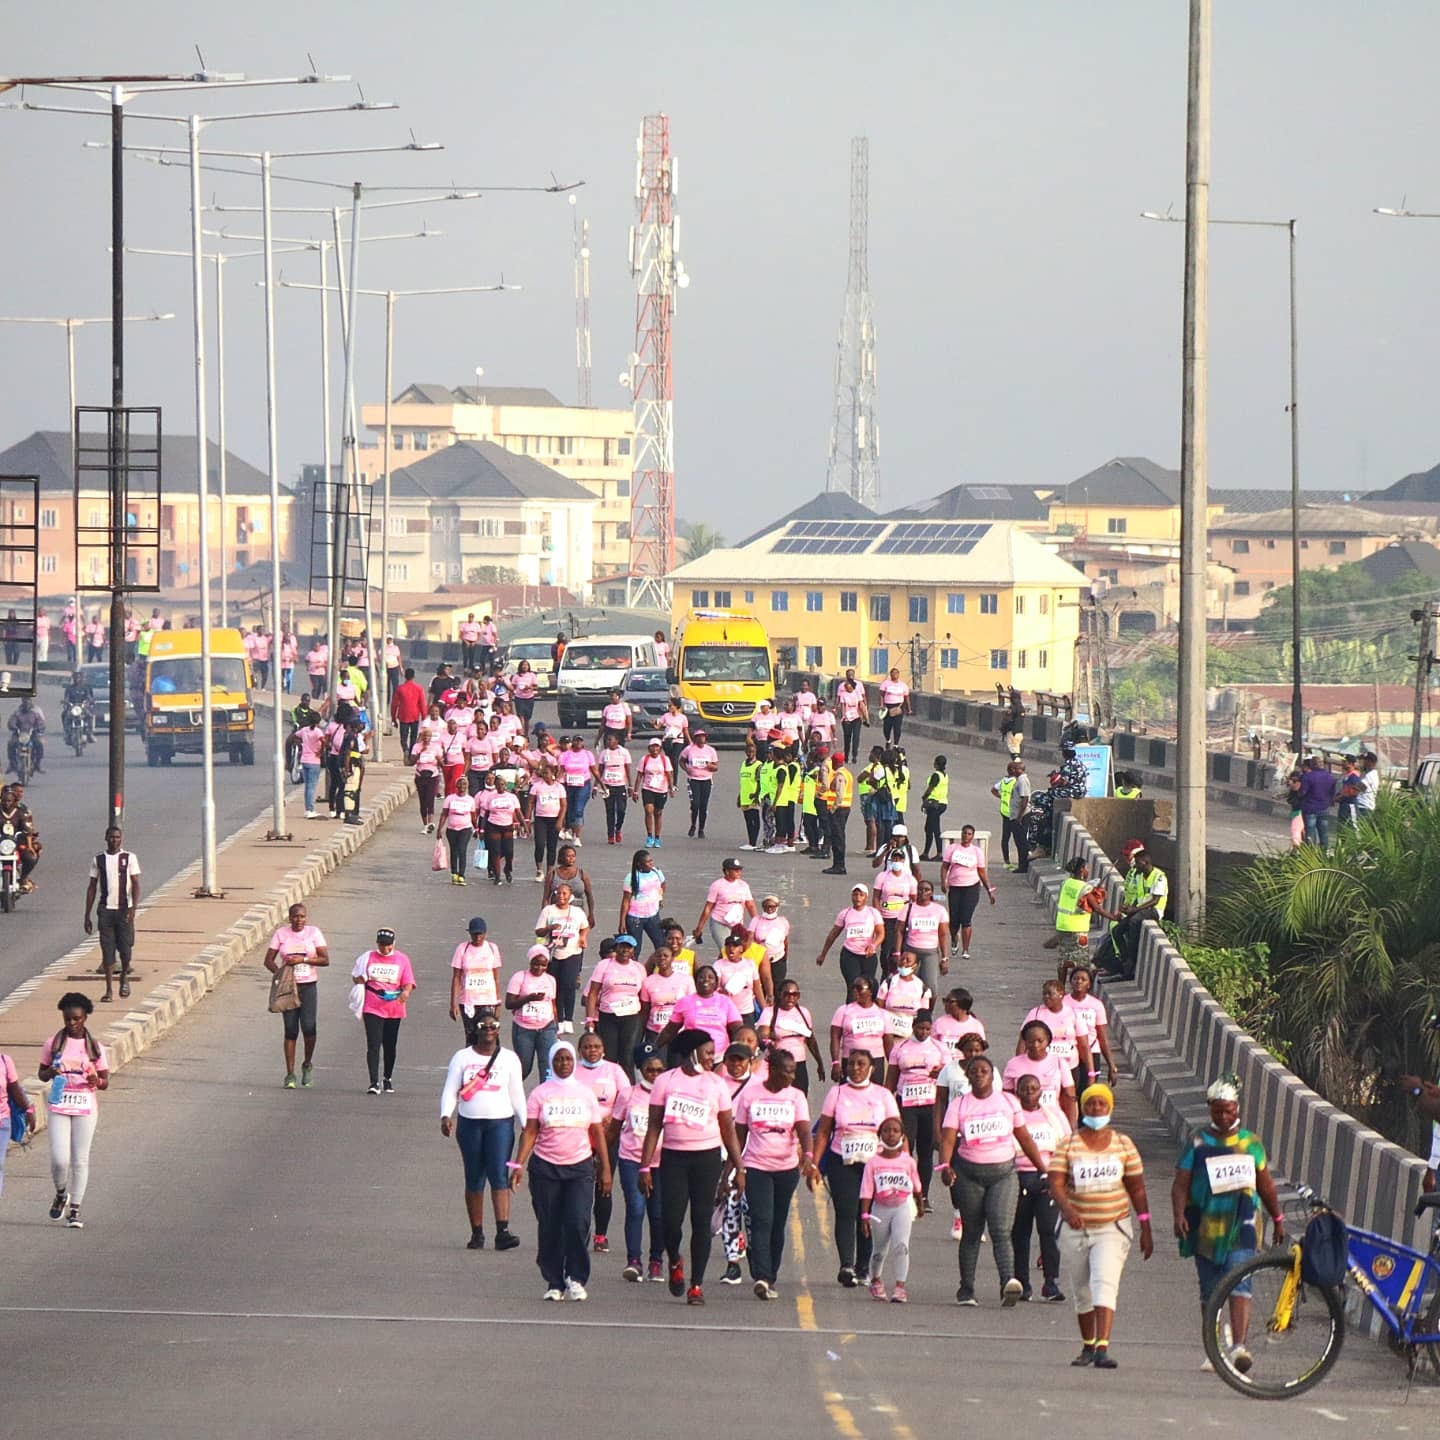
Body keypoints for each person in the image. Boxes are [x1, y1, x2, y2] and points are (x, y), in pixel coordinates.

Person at [1172, 1074, 1285, 1375]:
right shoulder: (1198, 1141)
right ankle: (1214, 1348)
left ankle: (1239, 1347)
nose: (1223, 1116)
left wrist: (1278, 1218)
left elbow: (1266, 1185)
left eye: (1229, 1110)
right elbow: (1181, 1183)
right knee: (1210, 1291)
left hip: (1242, 1224)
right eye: (1217, 1111)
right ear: (1210, 1109)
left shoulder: (1250, 1143)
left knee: (1238, 1281)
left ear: (1237, 1109)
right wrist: (1179, 1214)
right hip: (1205, 1225)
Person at [1049, 1083, 1153, 1369]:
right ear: (1083, 1109)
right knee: (1082, 1290)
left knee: (1105, 1282)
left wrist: (1145, 1226)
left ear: (1109, 1108)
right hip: (1076, 1229)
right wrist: (1067, 1209)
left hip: (1112, 1226)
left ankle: (1103, 1348)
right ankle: (1088, 1345)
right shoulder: (1069, 1144)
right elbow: (1055, 1182)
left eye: (1101, 1105)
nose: (1096, 1109)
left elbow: (1137, 1187)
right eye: (1091, 1104)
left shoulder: (1123, 1144)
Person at [640, 1029, 746, 1305]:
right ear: (693, 1052)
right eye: (709, 1052)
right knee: (670, 1221)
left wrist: (739, 1167)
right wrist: (644, 1167)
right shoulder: (666, 1081)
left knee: (701, 1222)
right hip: (673, 1158)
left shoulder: (716, 1084)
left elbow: (728, 1130)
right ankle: (675, 1259)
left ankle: (696, 1284)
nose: (714, 1058)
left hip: (706, 1158)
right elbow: (653, 1127)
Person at [937, 1053, 1045, 1306]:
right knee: (972, 1231)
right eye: (974, 1071)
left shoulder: (1008, 1102)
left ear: (992, 1075)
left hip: (1003, 1175)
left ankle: (1008, 1282)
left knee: (1000, 1230)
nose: (978, 1075)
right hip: (969, 1174)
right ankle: (966, 1289)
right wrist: (945, 1165)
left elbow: (1025, 1138)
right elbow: (949, 1138)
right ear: (968, 1076)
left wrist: (1043, 1168)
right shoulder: (960, 1105)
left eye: (984, 1070)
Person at [512, 1039, 609, 1301]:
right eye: (558, 1060)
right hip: (546, 1168)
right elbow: (531, 1131)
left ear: (574, 1062)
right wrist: (518, 1163)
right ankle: (554, 1281)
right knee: (550, 1225)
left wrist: (606, 1169)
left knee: (577, 1223)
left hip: (579, 1167)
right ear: (552, 1062)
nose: (564, 1064)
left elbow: (597, 1132)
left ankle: (576, 1277)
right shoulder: (541, 1093)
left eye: (567, 1059)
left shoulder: (585, 1094)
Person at [440, 1009, 527, 1251]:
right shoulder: (462, 1057)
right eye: (484, 1026)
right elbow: (450, 1090)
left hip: (500, 1123)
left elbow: (517, 1094)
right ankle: (477, 1233)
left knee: (499, 1174)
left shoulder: (509, 1059)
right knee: (474, 1176)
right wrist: (445, 1115)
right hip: (470, 1123)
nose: (489, 1030)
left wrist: (526, 1121)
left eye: (493, 1026)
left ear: (498, 1029)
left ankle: (503, 1231)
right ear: (474, 1030)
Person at [813, 1048, 900, 1286]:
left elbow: (896, 1130)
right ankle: (846, 1266)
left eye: (861, 1064)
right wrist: (815, 1164)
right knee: (846, 1212)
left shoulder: (883, 1096)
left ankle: (864, 1266)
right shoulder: (837, 1093)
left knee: (868, 1214)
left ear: (872, 1067)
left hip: (875, 1164)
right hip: (843, 1160)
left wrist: (902, 1162)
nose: (855, 1069)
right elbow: (823, 1131)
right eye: (851, 1064)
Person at [734, 1047, 816, 1300]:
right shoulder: (750, 1094)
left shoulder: (796, 1097)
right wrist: (735, 1169)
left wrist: (809, 1158)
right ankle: (761, 1275)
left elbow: (803, 1130)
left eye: (793, 1072)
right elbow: (738, 1134)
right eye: (787, 1071)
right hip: (757, 1165)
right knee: (762, 1219)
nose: (791, 1076)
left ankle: (770, 1277)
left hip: (786, 1168)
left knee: (778, 1222)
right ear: (772, 1069)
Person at [39, 992, 109, 1229]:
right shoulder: (54, 1043)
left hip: (84, 1105)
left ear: (85, 1018)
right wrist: (51, 1073)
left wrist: (94, 1081)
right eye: (67, 1019)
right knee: (60, 1158)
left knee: (80, 1159)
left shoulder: (94, 1047)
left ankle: (75, 1209)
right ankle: (61, 1193)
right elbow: (42, 1073)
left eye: (76, 1019)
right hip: (59, 1103)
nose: (71, 1024)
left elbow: (104, 1081)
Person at [1011, 1072, 1070, 1302]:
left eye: (1033, 1088)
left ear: (1041, 1092)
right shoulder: (1011, 1116)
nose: (1029, 1092)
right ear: (1017, 1092)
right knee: (1019, 1232)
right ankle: (1022, 1283)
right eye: (1024, 1088)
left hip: (1047, 1179)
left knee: (1048, 1230)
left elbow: (1066, 1146)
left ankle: (1051, 1282)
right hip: (1018, 1177)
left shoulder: (1053, 1116)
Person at [263, 902, 329, 1088]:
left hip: (308, 985)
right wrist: (280, 973)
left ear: (306, 918)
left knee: (308, 1027)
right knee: (291, 1029)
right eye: (295, 917)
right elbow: (268, 960)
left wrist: (304, 960)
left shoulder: (313, 933)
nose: (299, 920)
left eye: (302, 917)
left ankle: (307, 1063)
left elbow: (325, 959)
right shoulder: (281, 934)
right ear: (289, 918)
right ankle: (290, 1074)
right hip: (288, 987)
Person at [615, 1050, 668, 1282]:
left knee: (657, 1214)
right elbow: (614, 1127)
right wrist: (600, 1158)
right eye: (650, 1070)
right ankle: (633, 1261)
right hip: (631, 1159)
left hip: (661, 1162)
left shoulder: (670, 1095)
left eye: (659, 1070)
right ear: (640, 1070)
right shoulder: (628, 1094)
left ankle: (656, 1261)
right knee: (636, 1209)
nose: (654, 1074)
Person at [885, 1009, 945, 1210]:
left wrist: (939, 1075)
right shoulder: (900, 1047)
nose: (923, 1032)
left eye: (927, 1029)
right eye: (920, 1028)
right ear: (913, 1027)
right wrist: (887, 1104)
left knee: (926, 1151)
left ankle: (924, 1195)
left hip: (930, 1105)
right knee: (906, 1149)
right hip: (907, 1104)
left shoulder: (939, 1048)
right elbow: (891, 1078)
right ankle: (907, 1191)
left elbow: (947, 1080)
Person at [860, 1115, 922, 1302]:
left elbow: (917, 1185)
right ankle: (876, 1280)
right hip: (880, 1209)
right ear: (880, 1136)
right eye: (886, 1131)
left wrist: (919, 1204)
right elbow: (867, 1190)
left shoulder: (908, 1161)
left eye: (895, 1131)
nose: (891, 1135)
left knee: (901, 1246)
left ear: (902, 1136)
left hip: (901, 1207)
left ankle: (900, 1287)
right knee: (879, 1250)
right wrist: (865, 1215)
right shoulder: (873, 1163)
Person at [352, 927, 416, 1095]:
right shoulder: (368, 957)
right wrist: (360, 980)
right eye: (381, 945)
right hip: (372, 1005)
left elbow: (408, 981)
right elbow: (356, 975)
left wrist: (406, 992)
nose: (385, 949)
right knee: (373, 1043)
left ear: (393, 944)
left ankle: (387, 1077)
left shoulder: (402, 959)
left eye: (388, 945)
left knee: (390, 1044)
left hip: (394, 1006)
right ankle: (373, 1082)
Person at [84, 825, 142, 1004]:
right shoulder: (98, 859)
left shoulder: (129, 858)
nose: (114, 840)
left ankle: (124, 976)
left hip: (124, 910)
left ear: (121, 839)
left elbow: (136, 883)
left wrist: (133, 909)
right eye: (111, 837)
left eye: (117, 837)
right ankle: (109, 990)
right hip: (106, 911)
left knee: (125, 951)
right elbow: (92, 886)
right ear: (106, 838)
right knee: (107, 952)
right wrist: (87, 914)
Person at [584, 932, 647, 1078]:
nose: (625, 950)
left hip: (631, 1017)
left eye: (629, 948)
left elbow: (644, 996)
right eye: (622, 947)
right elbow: (593, 993)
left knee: (627, 1058)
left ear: (633, 951)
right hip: (608, 1017)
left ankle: (627, 1094)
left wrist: (643, 1021)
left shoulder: (639, 968)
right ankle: (608, 1090)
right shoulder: (604, 965)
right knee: (609, 1058)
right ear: (616, 947)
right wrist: (589, 1019)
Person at [654, 964, 744, 1059]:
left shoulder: (725, 1001)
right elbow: (669, 1031)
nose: (706, 980)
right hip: (692, 1056)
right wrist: (654, 1048)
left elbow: (738, 1028)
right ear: (695, 982)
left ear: (716, 983)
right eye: (701, 977)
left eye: (710, 977)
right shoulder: (685, 1001)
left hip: (720, 1057)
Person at [536, 881, 591, 1035]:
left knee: (569, 984)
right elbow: (539, 932)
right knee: (557, 987)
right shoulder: (548, 911)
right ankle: (559, 1019)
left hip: (573, 952)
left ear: (570, 896)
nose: (561, 896)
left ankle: (569, 1019)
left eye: (564, 893)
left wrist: (582, 938)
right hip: (553, 953)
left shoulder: (577, 912)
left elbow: (585, 926)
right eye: (559, 893)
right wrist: (549, 928)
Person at [815, 882, 884, 1002]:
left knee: (868, 986)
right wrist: (823, 954)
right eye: (855, 895)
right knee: (853, 986)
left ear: (866, 897)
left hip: (868, 956)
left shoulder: (873, 913)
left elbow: (881, 933)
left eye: (861, 895)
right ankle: (849, 1014)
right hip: (849, 955)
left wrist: (874, 945)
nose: (857, 898)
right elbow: (833, 935)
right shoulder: (845, 913)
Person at [1107, 848, 1169, 980]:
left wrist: (1134, 910)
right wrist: (1128, 907)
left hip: (1154, 910)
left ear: (1145, 862)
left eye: (1138, 863)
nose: (1135, 866)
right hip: (1140, 909)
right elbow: (1138, 895)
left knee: (1134, 921)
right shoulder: (1139, 876)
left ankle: (1132, 959)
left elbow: (1155, 900)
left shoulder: (1159, 877)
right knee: (1117, 930)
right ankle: (1125, 962)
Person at [757, 979, 824, 1095]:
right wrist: (773, 1049)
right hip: (778, 1064)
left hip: (799, 1064)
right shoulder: (769, 1012)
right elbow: (762, 1036)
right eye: (787, 994)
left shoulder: (804, 1012)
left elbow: (810, 1039)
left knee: (800, 1096)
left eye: (795, 994)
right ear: (779, 994)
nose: (791, 998)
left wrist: (820, 1062)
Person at [940, 824, 995, 963]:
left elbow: (982, 872)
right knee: (954, 920)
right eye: (964, 833)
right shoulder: (953, 849)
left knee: (966, 919)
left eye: (969, 834)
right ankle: (954, 938)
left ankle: (965, 949)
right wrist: (943, 882)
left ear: (972, 836)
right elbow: (945, 866)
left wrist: (989, 890)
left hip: (971, 888)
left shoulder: (976, 852)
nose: (966, 836)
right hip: (955, 887)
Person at [504, 944, 559, 1079]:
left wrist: (556, 1028)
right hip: (524, 1028)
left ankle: (544, 1097)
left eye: (543, 965)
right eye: (536, 964)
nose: (539, 968)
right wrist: (529, 998)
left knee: (547, 1067)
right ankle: (509, 1091)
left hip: (547, 1027)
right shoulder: (519, 977)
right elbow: (509, 1004)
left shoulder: (550, 980)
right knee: (524, 1067)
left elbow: (553, 1004)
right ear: (530, 962)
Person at [448, 916, 503, 1044]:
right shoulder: (463, 949)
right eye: (474, 934)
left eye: (480, 934)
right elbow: (456, 977)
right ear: (470, 934)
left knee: (489, 1034)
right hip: (468, 1001)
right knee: (472, 1035)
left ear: (485, 933)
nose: (478, 938)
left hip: (488, 1000)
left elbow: (496, 977)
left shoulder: (492, 948)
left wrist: (498, 1001)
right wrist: (453, 1004)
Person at [693, 856, 758, 954]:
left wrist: (756, 923)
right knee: (726, 950)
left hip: (737, 924)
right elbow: (708, 907)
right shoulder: (717, 885)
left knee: (738, 951)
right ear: (727, 871)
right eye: (736, 870)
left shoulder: (744, 885)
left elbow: (750, 905)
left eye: (739, 870)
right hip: (720, 922)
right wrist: (699, 928)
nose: (739, 872)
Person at [714, 926, 767, 1028]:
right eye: (728, 946)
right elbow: (715, 988)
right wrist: (724, 991)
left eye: (735, 946)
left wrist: (765, 1010)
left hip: (746, 1011)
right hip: (727, 1011)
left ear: (741, 949)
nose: (731, 949)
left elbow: (757, 988)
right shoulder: (719, 965)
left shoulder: (750, 964)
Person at [619, 847, 667, 953]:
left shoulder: (656, 872)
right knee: (635, 949)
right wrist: (622, 922)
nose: (651, 864)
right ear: (639, 864)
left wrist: (659, 898)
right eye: (647, 862)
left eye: (651, 861)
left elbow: (663, 884)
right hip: (635, 918)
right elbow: (626, 901)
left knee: (661, 945)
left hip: (653, 915)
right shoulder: (631, 877)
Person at [437, 774, 479, 885]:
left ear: (468, 786)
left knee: (462, 850)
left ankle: (461, 875)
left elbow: (473, 816)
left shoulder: (470, 800)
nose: (462, 786)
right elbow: (444, 814)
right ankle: (454, 873)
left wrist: (477, 829)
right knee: (454, 851)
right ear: (456, 785)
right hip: (451, 829)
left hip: (465, 829)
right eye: (460, 783)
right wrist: (439, 829)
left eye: (464, 784)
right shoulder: (450, 799)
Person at [632, 737, 674, 848]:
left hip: (661, 789)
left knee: (658, 813)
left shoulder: (665, 760)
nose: (655, 749)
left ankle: (657, 837)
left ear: (660, 748)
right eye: (652, 746)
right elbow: (640, 775)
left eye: (657, 746)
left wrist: (671, 788)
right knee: (648, 810)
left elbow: (669, 774)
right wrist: (635, 791)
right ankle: (649, 836)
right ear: (649, 748)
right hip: (648, 788)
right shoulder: (645, 759)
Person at [483, 775, 523, 886]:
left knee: (508, 851)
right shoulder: (491, 797)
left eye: (502, 784)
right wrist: (481, 829)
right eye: (498, 785)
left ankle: (508, 869)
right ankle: (497, 875)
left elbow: (518, 812)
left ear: (505, 785)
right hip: (493, 825)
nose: (500, 787)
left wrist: (524, 824)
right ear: (495, 786)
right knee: (495, 851)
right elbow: (486, 814)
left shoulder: (512, 797)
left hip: (507, 826)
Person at [679, 728, 719, 839]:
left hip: (706, 780)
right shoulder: (689, 749)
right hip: (693, 780)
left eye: (703, 736)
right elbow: (681, 761)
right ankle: (693, 824)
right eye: (699, 736)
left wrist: (710, 766)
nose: (701, 738)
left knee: (703, 806)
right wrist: (687, 769)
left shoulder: (710, 750)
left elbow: (716, 767)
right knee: (695, 804)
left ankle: (701, 828)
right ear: (695, 738)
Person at [993, 760, 1032, 872]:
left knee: (1021, 841)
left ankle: (1023, 866)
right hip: (1012, 814)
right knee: (1017, 840)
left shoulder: (1022, 781)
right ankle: (1021, 864)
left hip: (1020, 816)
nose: (1013, 771)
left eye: (1015, 769)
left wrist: (1019, 817)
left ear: (1021, 770)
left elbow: (1024, 800)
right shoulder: (1018, 780)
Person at [594, 734, 630, 846]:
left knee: (621, 810)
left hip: (620, 786)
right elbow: (599, 771)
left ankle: (618, 828)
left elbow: (628, 769)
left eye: (611, 739)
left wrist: (631, 786)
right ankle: (610, 835)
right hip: (607, 786)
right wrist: (596, 786)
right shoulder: (604, 753)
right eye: (607, 740)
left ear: (617, 740)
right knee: (610, 811)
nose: (609, 742)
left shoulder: (624, 752)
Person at [822, 751, 854, 876]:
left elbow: (839, 794)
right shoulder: (847, 773)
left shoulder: (840, 775)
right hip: (844, 808)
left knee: (838, 837)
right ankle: (838, 864)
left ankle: (839, 865)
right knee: (838, 836)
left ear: (836, 762)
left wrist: (833, 808)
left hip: (839, 809)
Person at [751, 894, 791, 993]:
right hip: (761, 959)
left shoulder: (783, 922)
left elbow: (786, 941)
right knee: (761, 987)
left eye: (772, 906)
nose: (769, 909)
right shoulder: (756, 920)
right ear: (763, 907)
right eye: (767, 906)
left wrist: (785, 957)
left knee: (778, 987)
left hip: (778, 958)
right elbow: (750, 938)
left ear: (777, 907)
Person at [1296, 755, 1337, 849]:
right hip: (1324, 807)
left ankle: (1310, 853)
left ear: (1311, 765)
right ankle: (1324, 852)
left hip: (1310, 807)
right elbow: (1332, 793)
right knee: (1324, 832)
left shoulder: (1307, 777)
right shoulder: (1330, 777)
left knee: (1310, 831)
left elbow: (1302, 793)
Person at [390, 667, 427, 755]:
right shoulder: (419, 688)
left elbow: (394, 704)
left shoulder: (400, 689)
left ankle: (405, 749)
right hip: (415, 715)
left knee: (403, 737)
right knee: (413, 736)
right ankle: (411, 752)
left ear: (405, 676)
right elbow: (422, 704)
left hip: (403, 716)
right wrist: (424, 717)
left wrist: (393, 718)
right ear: (413, 676)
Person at [919, 755, 949, 861]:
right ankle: (926, 853)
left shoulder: (936, 775)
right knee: (929, 828)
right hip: (942, 804)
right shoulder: (945, 775)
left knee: (935, 829)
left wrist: (924, 798)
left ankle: (940, 853)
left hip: (934, 804)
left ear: (936, 764)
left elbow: (930, 788)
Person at [7, 696, 46, 775]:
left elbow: (41, 723)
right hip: (19, 735)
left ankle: (37, 765)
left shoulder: (35, 714)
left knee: (39, 744)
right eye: (25, 702)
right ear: (22, 702)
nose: (27, 704)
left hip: (32, 735)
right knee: (11, 744)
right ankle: (12, 765)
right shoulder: (17, 713)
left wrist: (38, 728)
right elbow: (11, 722)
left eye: (28, 702)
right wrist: (14, 727)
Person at [878, 667, 911, 746]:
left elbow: (906, 697)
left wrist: (909, 709)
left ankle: (896, 744)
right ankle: (888, 739)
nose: (895, 675)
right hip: (888, 706)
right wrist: (882, 705)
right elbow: (881, 695)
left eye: (896, 673)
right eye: (893, 673)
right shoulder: (885, 683)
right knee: (887, 726)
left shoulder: (903, 685)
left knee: (897, 726)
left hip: (899, 706)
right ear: (890, 674)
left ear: (898, 674)